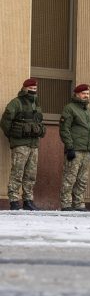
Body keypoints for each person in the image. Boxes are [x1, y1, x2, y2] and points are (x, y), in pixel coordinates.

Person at [2, 78, 46, 210]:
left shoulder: (36, 104)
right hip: (20, 144)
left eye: (35, 89)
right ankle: (14, 201)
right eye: (31, 88)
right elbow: (5, 122)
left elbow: (39, 122)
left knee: (30, 174)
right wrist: (13, 136)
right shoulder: (16, 103)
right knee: (17, 172)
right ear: (24, 88)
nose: (33, 90)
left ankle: (28, 201)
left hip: (33, 144)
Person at [59, 84, 90, 211]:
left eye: (87, 93)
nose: (86, 95)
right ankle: (66, 203)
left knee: (82, 179)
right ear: (76, 94)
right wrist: (69, 147)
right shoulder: (69, 109)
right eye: (83, 93)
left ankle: (79, 203)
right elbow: (64, 129)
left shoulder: (89, 112)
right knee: (70, 177)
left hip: (86, 150)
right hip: (74, 149)